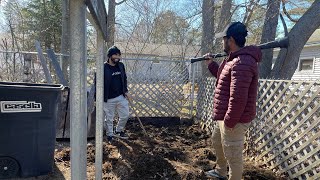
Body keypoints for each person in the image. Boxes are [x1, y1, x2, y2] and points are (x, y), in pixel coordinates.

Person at [204, 22, 262, 180]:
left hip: (234, 120)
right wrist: (211, 64)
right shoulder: (233, 60)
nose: (222, 42)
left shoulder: (242, 62)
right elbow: (224, 79)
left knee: (234, 159)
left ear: (230, 40)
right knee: (217, 141)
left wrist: (230, 121)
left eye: (223, 39)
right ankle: (220, 171)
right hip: (226, 117)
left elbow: (238, 98)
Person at [103, 46, 130, 142]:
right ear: (110, 56)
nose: (118, 57)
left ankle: (118, 131)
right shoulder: (103, 68)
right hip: (108, 98)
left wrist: (125, 90)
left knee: (125, 115)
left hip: (120, 96)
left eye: (119, 55)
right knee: (109, 118)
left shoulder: (121, 66)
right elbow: (97, 83)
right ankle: (110, 135)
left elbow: (124, 78)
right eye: (115, 55)